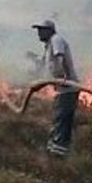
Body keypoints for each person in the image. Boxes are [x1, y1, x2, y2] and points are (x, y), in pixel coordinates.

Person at [32, 18, 80, 156]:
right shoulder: (48, 45)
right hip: (62, 89)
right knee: (62, 120)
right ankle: (60, 150)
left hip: (67, 89)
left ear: (49, 31)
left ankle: (57, 152)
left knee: (61, 120)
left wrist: (60, 77)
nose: (39, 33)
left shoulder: (56, 40)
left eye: (41, 30)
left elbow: (59, 58)